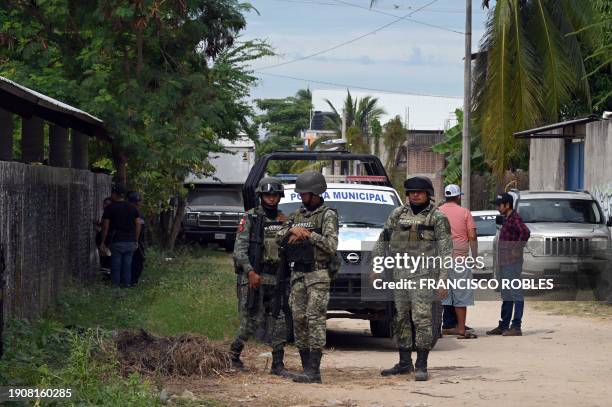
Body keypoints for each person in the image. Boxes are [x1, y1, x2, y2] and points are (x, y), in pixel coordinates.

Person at [374, 176, 452, 381]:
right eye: (411, 192)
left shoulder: (437, 218)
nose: (415, 195)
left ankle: (422, 364)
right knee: (400, 318)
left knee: (422, 319)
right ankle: (404, 362)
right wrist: (377, 265)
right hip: (399, 275)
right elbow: (383, 240)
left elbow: (446, 251)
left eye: (419, 191)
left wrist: (444, 279)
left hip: (424, 276)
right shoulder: (397, 214)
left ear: (428, 194)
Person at [276, 171, 339, 384]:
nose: (302, 197)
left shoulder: (328, 214)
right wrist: (292, 230)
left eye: (305, 194)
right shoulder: (297, 215)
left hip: (318, 273)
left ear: (316, 193)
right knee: (298, 318)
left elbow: (331, 245)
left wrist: (309, 234)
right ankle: (305, 369)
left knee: (315, 318)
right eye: (301, 194)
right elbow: (278, 236)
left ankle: (315, 370)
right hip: (298, 273)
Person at [229, 177, 293, 378]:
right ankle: (233, 355)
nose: (272, 199)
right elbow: (239, 251)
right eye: (268, 195)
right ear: (261, 196)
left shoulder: (285, 220)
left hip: (277, 277)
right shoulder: (250, 218)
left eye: (275, 195)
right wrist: (250, 272)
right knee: (252, 321)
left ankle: (278, 363)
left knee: (280, 320)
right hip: (254, 276)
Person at [487, 193, 530, 336]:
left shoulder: (514, 218)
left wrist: (517, 248)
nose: (498, 208)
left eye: (499, 205)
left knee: (515, 294)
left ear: (507, 205)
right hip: (505, 263)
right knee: (506, 294)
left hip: (512, 263)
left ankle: (516, 326)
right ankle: (504, 325)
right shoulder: (507, 219)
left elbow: (525, 232)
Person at [438, 184, 478, 339]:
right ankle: (461, 329)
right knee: (460, 295)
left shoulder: (437, 212)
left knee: (442, 295)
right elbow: (472, 236)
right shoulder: (465, 212)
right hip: (460, 260)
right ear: (458, 196)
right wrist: (474, 257)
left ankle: (438, 328)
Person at [100, 184, 141, 288]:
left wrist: (103, 241)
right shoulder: (132, 208)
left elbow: (105, 226)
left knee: (116, 267)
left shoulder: (110, 208)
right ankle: (126, 287)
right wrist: (136, 240)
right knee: (127, 266)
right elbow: (138, 224)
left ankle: (115, 289)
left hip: (116, 241)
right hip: (130, 242)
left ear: (114, 194)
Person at [127, 191, 146, 286]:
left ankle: (133, 281)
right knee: (133, 261)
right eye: (137, 202)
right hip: (133, 241)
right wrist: (136, 240)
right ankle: (131, 281)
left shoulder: (139, 213)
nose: (138, 204)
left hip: (138, 241)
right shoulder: (132, 213)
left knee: (138, 261)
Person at [95, 197, 113, 271]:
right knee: (103, 260)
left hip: (106, 241)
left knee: (106, 260)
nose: (105, 205)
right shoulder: (105, 214)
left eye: (108, 204)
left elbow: (106, 228)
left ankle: (106, 278)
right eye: (104, 203)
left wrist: (103, 242)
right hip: (102, 240)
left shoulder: (109, 215)